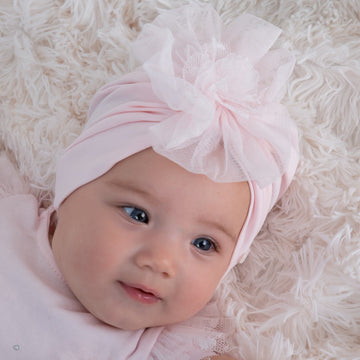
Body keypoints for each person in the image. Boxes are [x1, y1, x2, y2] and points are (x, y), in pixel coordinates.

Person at [0, 3, 299, 359]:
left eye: (204, 244)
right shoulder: (9, 219)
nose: (161, 261)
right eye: (137, 214)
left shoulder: (177, 344)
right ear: (71, 188)